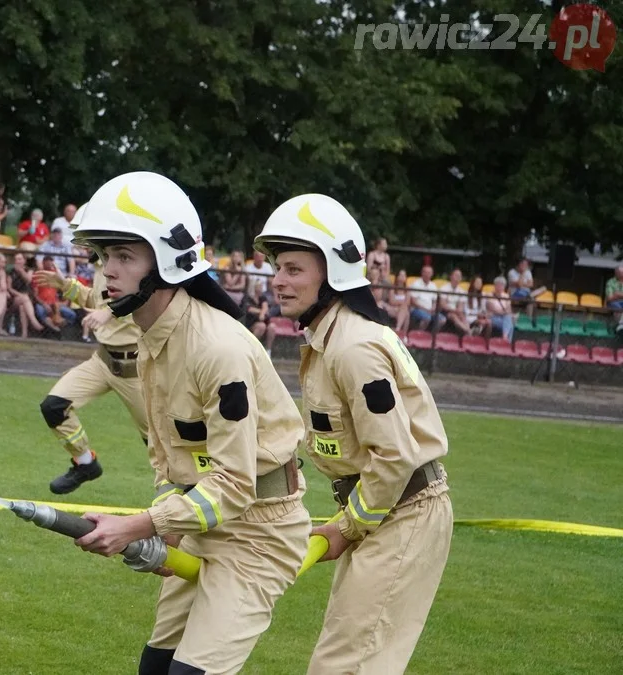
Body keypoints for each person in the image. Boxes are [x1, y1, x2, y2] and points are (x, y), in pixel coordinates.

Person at [70, 172, 309, 675]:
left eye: (123, 257)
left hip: (259, 535)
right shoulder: (151, 336)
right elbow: (168, 458)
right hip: (203, 523)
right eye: (102, 257)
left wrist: (140, 526)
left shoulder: (216, 349)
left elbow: (235, 484)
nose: (106, 272)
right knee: (155, 669)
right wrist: (165, 530)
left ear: (167, 262)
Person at [254, 193, 452, 675]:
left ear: (334, 273)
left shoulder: (353, 348)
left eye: (294, 269)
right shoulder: (332, 338)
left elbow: (394, 455)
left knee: (346, 665)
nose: (277, 280)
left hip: (401, 512)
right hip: (380, 511)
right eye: (278, 267)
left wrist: (345, 528)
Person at [34, 236, 149, 494]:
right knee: (54, 407)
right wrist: (66, 285)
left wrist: (109, 313)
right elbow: (94, 299)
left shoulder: (130, 262)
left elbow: (145, 296)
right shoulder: (101, 265)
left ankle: (184, 492)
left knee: (157, 442)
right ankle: (85, 462)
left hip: (136, 369)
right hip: (103, 361)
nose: (81, 243)